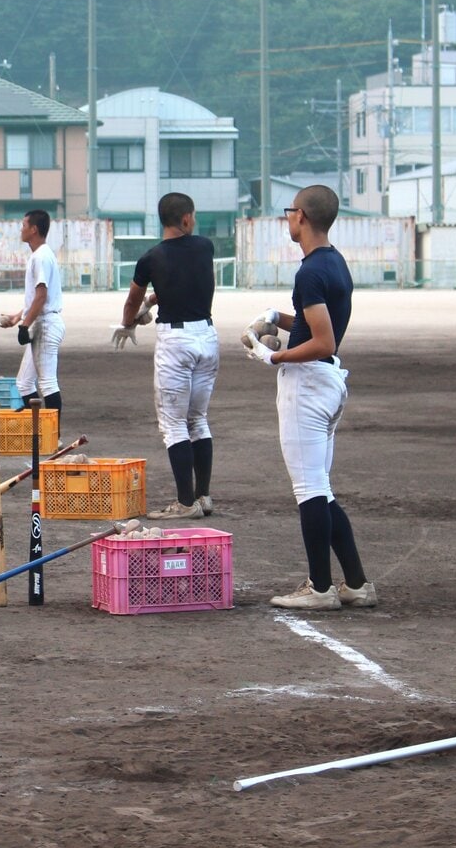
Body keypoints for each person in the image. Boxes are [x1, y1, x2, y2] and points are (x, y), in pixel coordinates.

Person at [245, 185, 377, 611]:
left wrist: (272, 355)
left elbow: (322, 340)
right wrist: (277, 317)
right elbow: (314, 325)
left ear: (301, 216)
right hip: (326, 383)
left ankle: (320, 587)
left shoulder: (309, 272)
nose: (287, 219)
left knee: (309, 489)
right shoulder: (334, 262)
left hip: (307, 383)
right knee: (320, 488)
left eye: (289, 212)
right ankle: (354, 582)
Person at [118, 192, 219, 520]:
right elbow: (188, 282)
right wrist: (155, 299)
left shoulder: (150, 258)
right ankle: (203, 496)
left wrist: (129, 322)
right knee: (198, 419)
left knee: (174, 424)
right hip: (207, 336)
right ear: (186, 219)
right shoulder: (205, 247)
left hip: (176, 341)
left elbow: (132, 301)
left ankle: (185, 503)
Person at [0, 209, 64, 417]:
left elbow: (41, 296)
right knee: (24, 383)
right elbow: (37, 298)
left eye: (24, 225)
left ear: (34, 230)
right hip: (42, 322)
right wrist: (19, 317)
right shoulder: (41, 255)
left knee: (47, 382)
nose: (21, 228)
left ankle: (54, 437)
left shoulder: (40, 257)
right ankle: (36, 430)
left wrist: (24, 325)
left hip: (45, 324)